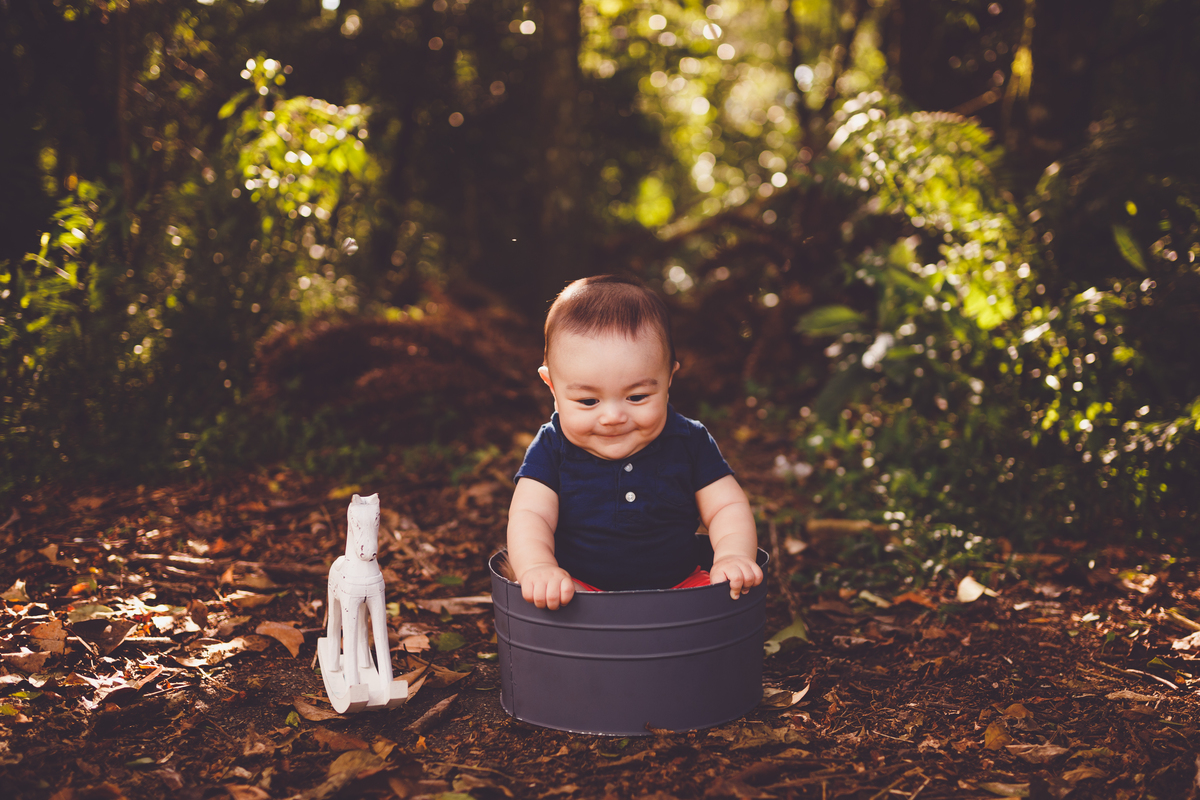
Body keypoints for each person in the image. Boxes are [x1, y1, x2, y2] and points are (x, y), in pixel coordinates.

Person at [506, 275, 764, 609]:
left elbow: (726, 507)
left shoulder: (689, 441)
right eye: (588, 401)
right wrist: (538, 566)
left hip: (680, 585)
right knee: (554, 600)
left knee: (722, 597)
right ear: (552, 387)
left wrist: (731, 555)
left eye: (637, 396)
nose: (613, 416)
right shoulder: (552, 447)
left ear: (668, 379)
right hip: (579, 589)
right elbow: (530, 516)